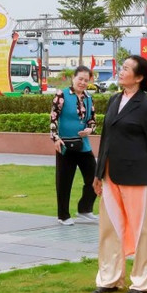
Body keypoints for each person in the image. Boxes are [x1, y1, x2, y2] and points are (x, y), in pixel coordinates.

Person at [91, 55, 147, 293]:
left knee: (143, 230)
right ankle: (109, 278)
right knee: (110, 228)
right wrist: (98, 173)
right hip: (110, 174)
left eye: (126, 68)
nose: (121, 71)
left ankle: (146, 281)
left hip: (137, 175)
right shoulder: (114, 100)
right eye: (122, 67)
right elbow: (106, 138)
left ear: (138, 77)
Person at [49, 65, 97, 226]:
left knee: (95, 177)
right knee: (64, 181)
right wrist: (55, 138)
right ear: (73, 78)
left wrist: (90, 129)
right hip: (65, 144)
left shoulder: (88, 98)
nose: (82, 82)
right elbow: (53, 117)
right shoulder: (62, 94)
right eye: (80, 79)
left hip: (83, 145)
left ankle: (85, 209)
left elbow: (92, 120)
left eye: (86, 80)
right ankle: (63, 215)